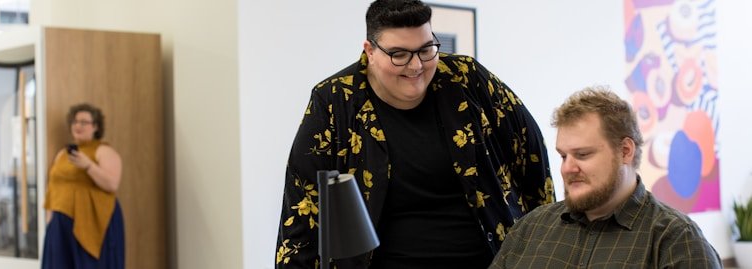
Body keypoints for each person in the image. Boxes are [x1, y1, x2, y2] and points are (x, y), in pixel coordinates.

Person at [275, 1, 554, 268]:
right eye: (399, 54)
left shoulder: (467, 78)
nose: (416, 66)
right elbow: (304, 204)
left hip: (490, 260)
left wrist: (546, 248)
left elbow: (530, 157)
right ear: (370, 51)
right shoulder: (336, 100)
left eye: (426, 49)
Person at [490, 86, 722, 268]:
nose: (567, 168)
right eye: (563, 156)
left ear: (625, 151)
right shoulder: (531, 229)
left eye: (582, 154)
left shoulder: (675, 241)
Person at [42, 103, 125, 269]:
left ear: (95, 127)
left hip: (92, 223)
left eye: (84, 122)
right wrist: (50, 220)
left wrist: (88, 166)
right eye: (74, 122)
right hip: (60, 223)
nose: (78, 126)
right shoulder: (62, 154)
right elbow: (53, 186)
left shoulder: (103, 151)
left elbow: (112, 184)